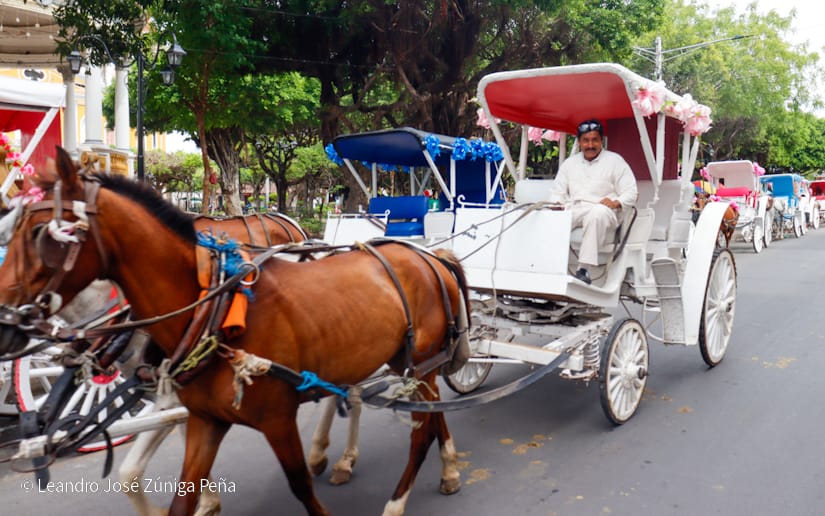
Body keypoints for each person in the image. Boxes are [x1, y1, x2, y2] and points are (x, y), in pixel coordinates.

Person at [550, 119, 637, 285]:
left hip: (604, 211)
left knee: (597, 213)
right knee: (549, 218)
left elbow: (632, 192)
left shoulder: (615, 161)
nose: (590, 145)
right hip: (576, 208)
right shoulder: (569, 164)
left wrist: (616, 202)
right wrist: (556, 205)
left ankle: (583, 270)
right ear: (580, 142)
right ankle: (546, 267)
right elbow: (557, 193)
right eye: (586, 140)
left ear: (601, 140)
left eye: (594, 140)